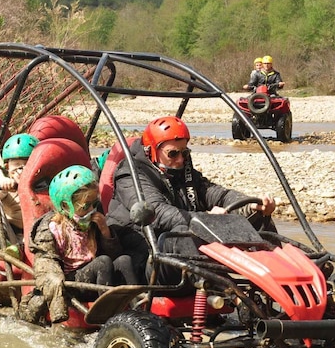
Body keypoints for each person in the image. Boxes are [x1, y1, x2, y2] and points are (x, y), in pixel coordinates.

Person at [106, 115, 277, 283]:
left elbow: (216, 193)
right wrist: (207, 219)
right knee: (181, 235)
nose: (180, 159)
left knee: (260, 220)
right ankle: (232, 296)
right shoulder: (129, 174)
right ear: (151, 151)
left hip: (178, 256)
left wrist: (251, 205)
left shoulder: (182, 171)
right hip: (146, 261)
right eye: (172, 153)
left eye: (184, 152)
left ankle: (286, 287)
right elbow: (158, 212)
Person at [20, 165, 139, 324]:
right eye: (85, 206)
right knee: (102, 262)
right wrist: (57, 304)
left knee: (124, 260)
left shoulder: (92, 222)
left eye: (93, 204)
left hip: (97, 277)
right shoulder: (52, 228)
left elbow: (114, 257)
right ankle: (107, 318)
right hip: (71, 284)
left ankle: (140, 308)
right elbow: (46, 266)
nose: (91, 209)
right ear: (65, 206)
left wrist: (105, 231)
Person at [0, 133, 38, 248]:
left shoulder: (41, 182)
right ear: (7, 167)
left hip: (34, 233)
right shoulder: (7, 182)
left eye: (27, 164)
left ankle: (11, 250)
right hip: (12, 234)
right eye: (17, 164)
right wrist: (3, 186)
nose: (21, 169)